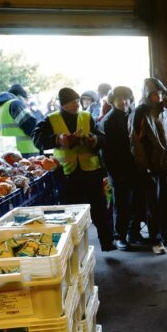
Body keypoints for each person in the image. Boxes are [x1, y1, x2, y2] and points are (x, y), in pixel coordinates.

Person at [32, 87, 115, 252]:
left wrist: (94, 140)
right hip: (66, 175)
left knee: (100, 209)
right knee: (71, 213)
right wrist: (59, 139)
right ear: (63, 105)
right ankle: (73, 247)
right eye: (72, 102)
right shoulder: (51, 120)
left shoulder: (87, 116)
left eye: (78, 101)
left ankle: (107, 242)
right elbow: (37, 139)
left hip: (91, 172)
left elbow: (103, 138)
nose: (76, 105)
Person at [130, 77, 167, 254]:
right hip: (150, 169)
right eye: (156, 93)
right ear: (147, 94)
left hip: (165, 167)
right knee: (152, 207)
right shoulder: (139, 114)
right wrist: (145, 168)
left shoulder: (166, 113)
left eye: (161, 93)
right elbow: (136, 144)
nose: (160, 96)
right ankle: (156, 240)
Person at [99, 86, 139, 251]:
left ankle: (133, 233)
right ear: (112, 101)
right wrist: (114, 174)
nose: (124, 102)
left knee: (135, 204)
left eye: (127, 99)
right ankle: (120, 237)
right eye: (120, 99)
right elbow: (106, 153)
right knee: (121, 206)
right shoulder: (108, 120)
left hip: (134, 168)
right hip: (119, 171)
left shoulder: (130, 115)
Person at [0, 83, 40, 157]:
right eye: (26, 100)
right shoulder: (15, 104)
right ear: (20, 96)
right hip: (25, 153)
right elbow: (31, 126)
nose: (26, 103)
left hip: (6, 154)